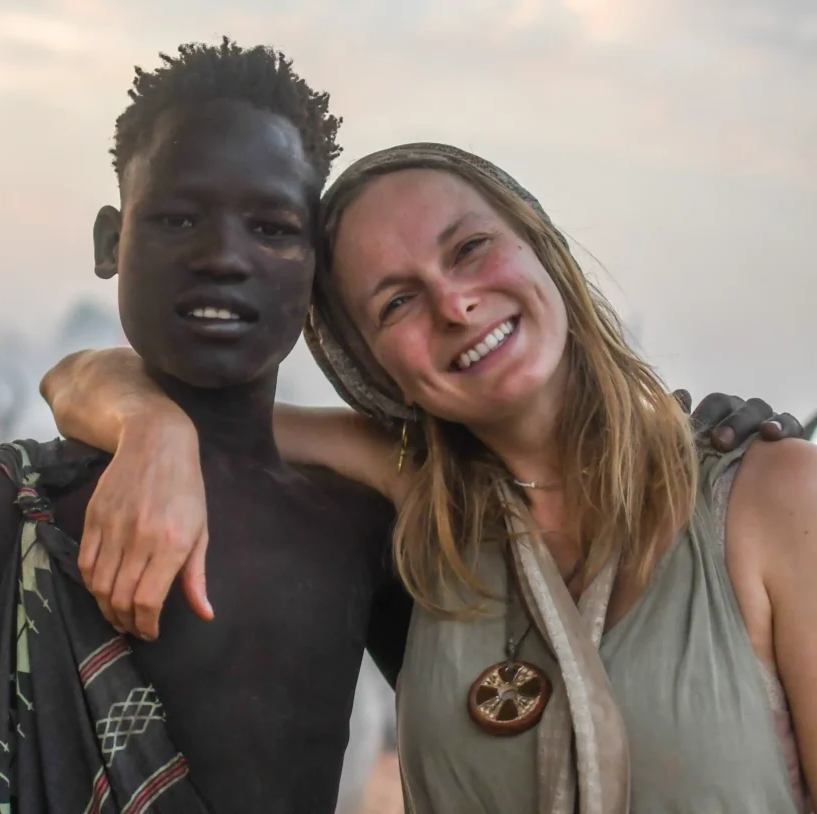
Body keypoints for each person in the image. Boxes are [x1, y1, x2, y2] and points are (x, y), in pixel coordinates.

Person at [40, 143, 814, 813]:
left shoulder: (771, 498)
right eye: (398, 301)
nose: (455, 303)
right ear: (377, 372)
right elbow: (78, 378)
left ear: (541, 244)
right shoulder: (417, 499)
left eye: (470, 247)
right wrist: (153, 431)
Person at [0, 40, 410, 814]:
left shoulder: (358, 525)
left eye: (272, 228)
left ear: (317, 266)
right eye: (178, 219)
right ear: (108, 243)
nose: (223, 257)